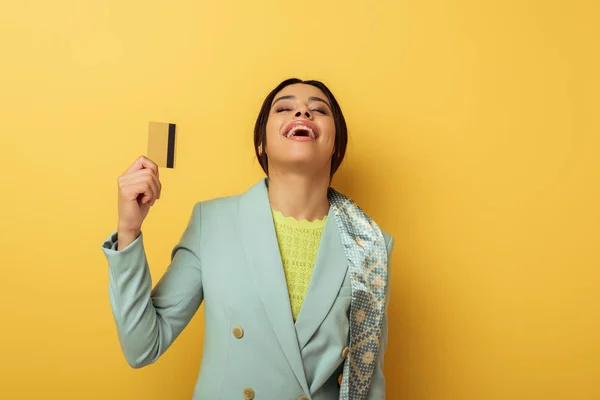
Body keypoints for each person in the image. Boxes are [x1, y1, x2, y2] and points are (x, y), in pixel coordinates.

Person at [101, 78, 394, 400]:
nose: (302, 112)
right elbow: (143, 346)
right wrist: (128, 231)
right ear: (261, 144)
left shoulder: (368, 243)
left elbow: (368, 378)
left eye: (318, 110)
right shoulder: (211, 222)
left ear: (337, 143)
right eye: (284, 107)